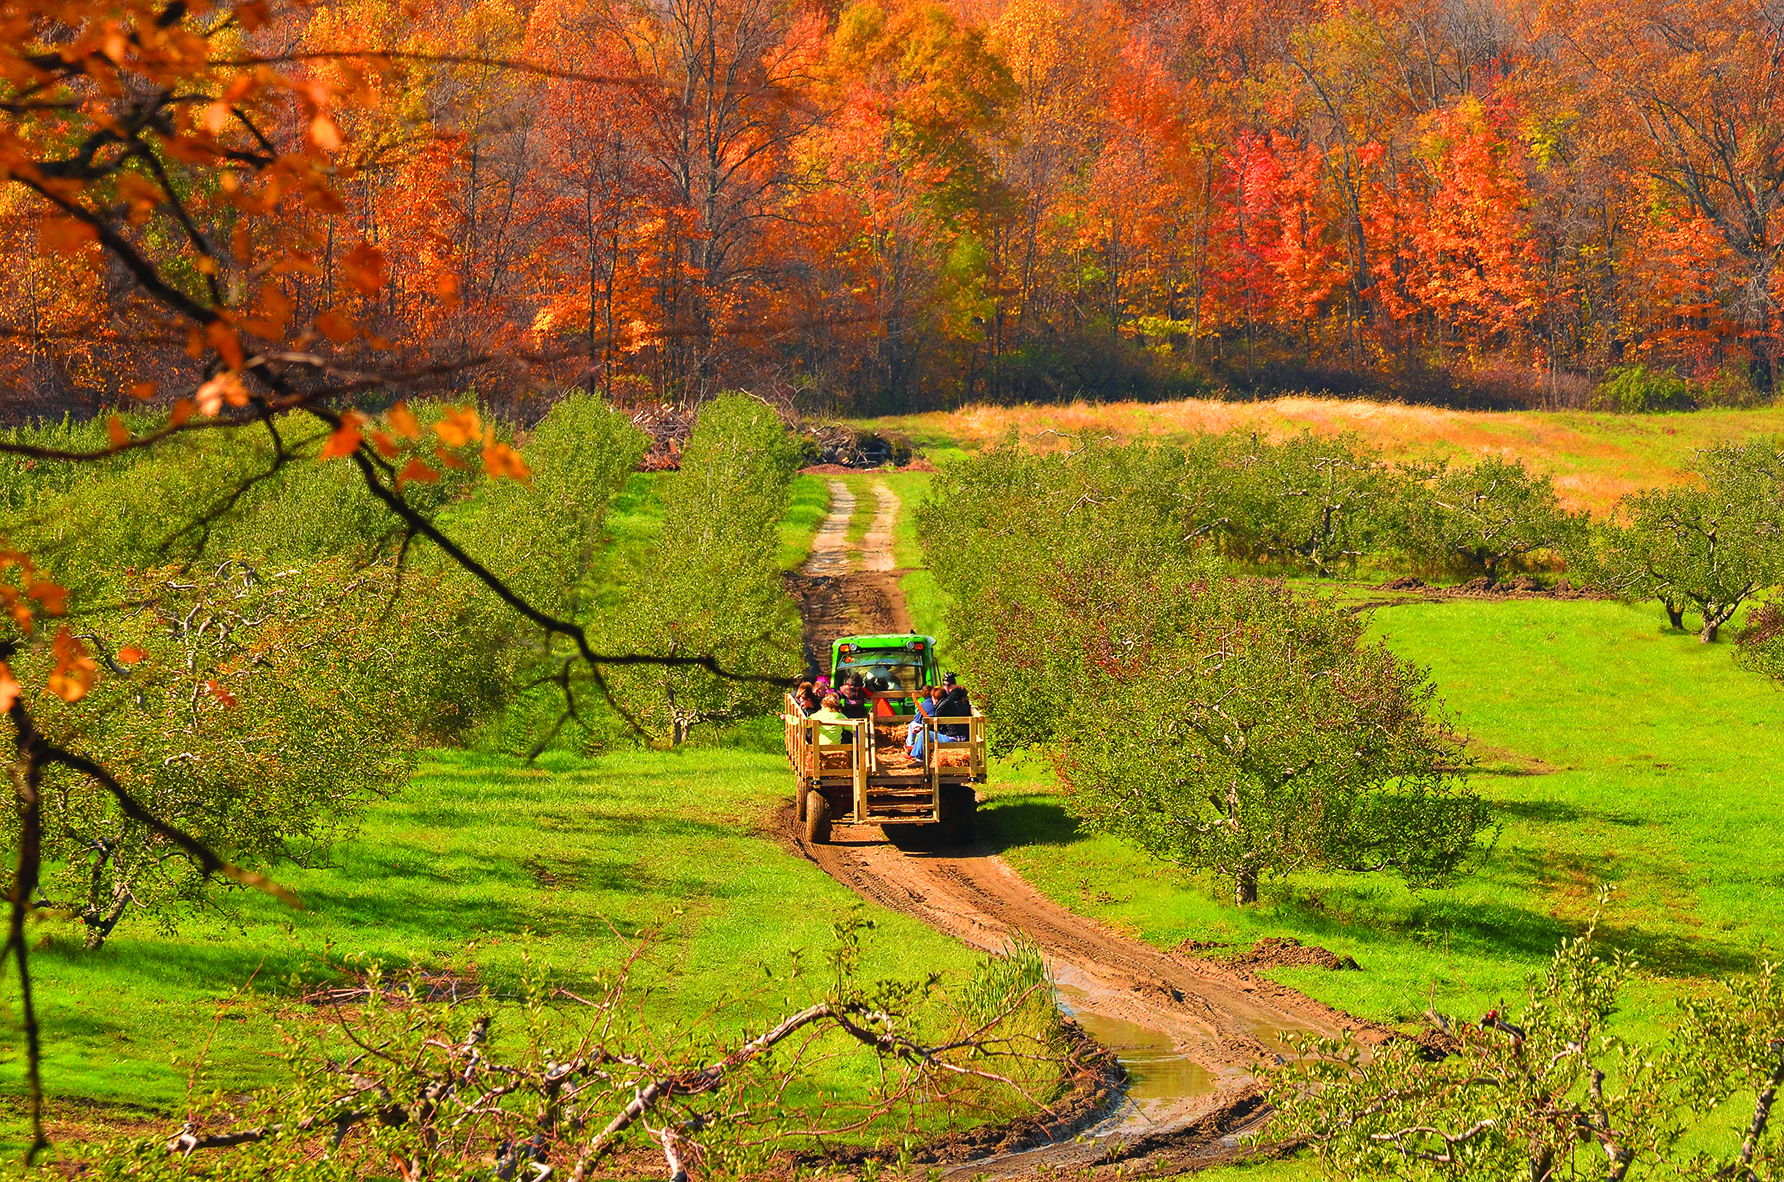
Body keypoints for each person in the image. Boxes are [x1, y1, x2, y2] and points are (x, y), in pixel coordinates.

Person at [905, 684, 945, 760]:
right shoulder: (938, 705)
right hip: (932, 725)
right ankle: (912, 749)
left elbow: (917, 718)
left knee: (913, 725)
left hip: (934, 727)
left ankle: (913, 751)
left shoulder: (926, 704)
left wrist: (920, 727)